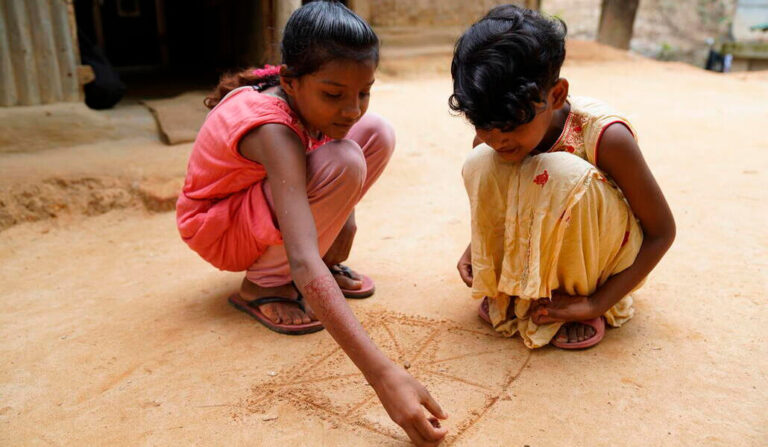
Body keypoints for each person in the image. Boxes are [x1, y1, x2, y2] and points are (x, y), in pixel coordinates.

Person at [176, 2, 447, 444]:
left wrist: (346, 215)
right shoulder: (273, 131)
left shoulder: (309, 102)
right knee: (343, 159)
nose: (351, 109)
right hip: (217, 226)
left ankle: (304, 265)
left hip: (256, 204)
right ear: (289, 82)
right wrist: (383, 376)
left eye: (364, 91)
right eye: (334, 94)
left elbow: (341, 132)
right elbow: (304, 261)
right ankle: (264, 283)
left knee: (376, 132)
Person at [450, 5, 675, 349]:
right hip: (546, 244)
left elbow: (662, 233)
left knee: (561, 172)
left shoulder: (605, 136)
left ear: (556, 95)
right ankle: (516, 289)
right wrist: (476, 248)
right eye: (483, 124)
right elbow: (503, 195)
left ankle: (574, 302)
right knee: (482, 161)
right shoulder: (494, 134)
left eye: (509, 126)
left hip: (599, 265)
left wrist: (597, 301)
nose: (497, 139)